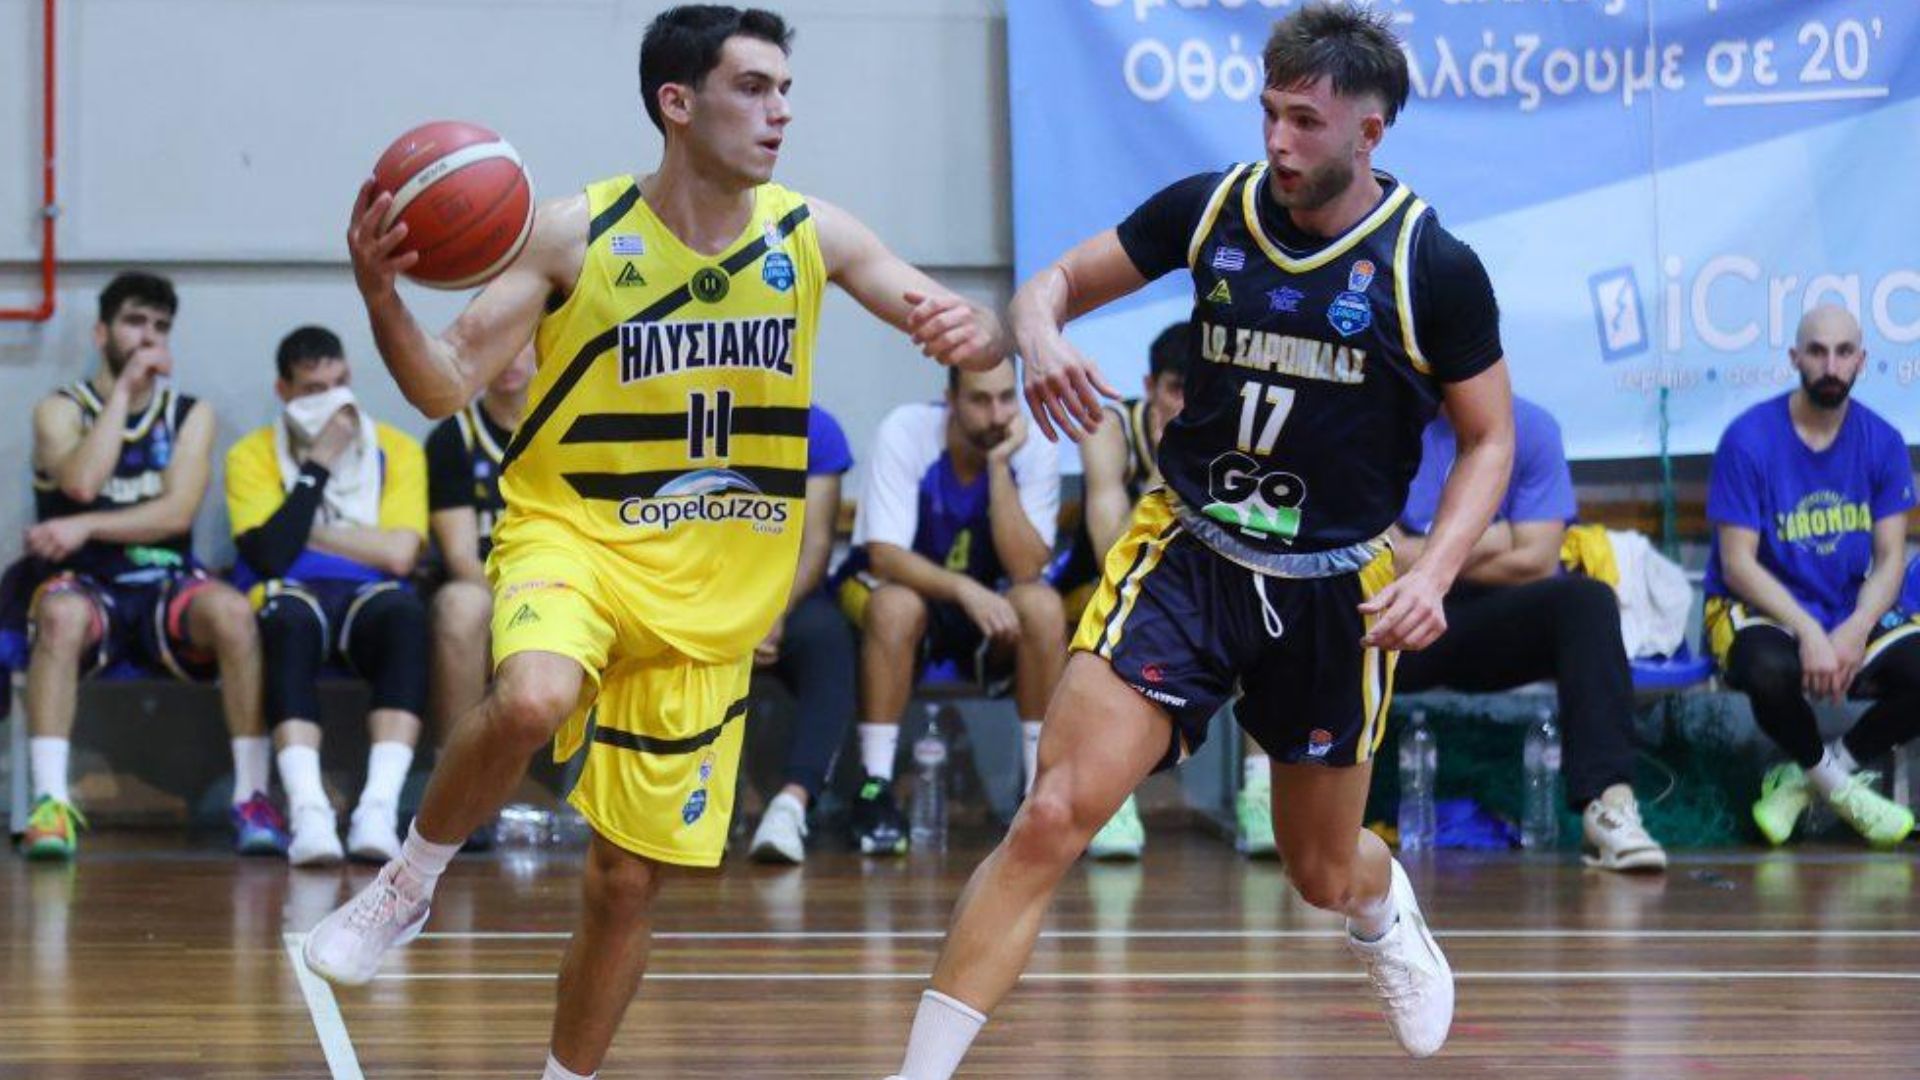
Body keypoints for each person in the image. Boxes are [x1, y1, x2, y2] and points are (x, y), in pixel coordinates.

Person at [300, 9, 1005, 1079]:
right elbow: (444, 383)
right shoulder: (573, 234)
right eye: (754, 88)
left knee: (624, 886)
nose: (780, 111)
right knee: (532, 695)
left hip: (711, 595)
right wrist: (380, 296)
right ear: (677, 103)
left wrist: (973, 329)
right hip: (573, 536)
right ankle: (407, 883)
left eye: (785, 89)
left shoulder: (811, 235)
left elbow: (956, 318)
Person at [883, 5, 1514, 1075]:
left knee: (1319, 871)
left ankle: (1381, 907)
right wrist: (1038, 339)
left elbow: (1489, 440)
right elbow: (1050, 288)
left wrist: (1437, 573)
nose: (1278, 141)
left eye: (1305, 122)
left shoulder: (1431, 266)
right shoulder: (1214, 207)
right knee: (1052, 814)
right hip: (1189, 552)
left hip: (1334, 587)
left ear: (1370, 132)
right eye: (1270, 113)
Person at [16, 271, 283, 859]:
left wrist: (83, 525)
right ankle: (50, 803)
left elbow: (177, 512)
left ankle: (252, 796)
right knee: (59, 617)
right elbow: (82, 482)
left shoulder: (190, 413)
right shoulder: (59, 411)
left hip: (164, 578)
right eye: (135, 322)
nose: (148, 337)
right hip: (87, 581)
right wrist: (121, 394)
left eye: (160, 327)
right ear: (101, 333)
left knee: (234, 613)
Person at [1391, 397, 1668, 871]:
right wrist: (1498, 537)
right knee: (1325, 606)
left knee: (1588, 601)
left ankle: (1611, 806)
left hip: (1493, 618)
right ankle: (1287, 792)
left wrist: (1430, 552)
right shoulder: (1383, 420)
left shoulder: (1532, 428)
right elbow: (1386, 558)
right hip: (1400, 618)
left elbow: (1537, 560)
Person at [1704, 304, 1918, 849]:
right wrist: (1809, 631)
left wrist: (1855, 627)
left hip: (1843, 606)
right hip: (1756, 608)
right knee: (1768, 671)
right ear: (1795, 358)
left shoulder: (1883, 441)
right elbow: (1737, 564)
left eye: (1844, 353)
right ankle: (1844, 793)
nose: (1831, 366)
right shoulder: (1748, 439)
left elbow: (1890, 559)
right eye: (1818, 352)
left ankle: (1805, 784)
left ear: (1861, 361)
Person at [835, 361, 1062, 854]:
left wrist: (999, 467)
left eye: (1006, 398)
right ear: (951, 399)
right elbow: (884, 555)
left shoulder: (1033, 445)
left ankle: (1037, 793)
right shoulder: (906, 430)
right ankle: (875, 788)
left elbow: (1026, 568)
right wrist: (963, 589)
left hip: (990, 605)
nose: (996, 414)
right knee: (895, 607)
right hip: (902, 590)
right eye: (980, 399)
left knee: (1042, 607)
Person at [226, 326, 431, 866]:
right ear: (284, 391)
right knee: (287, 622)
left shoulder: (398, 449)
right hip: (292, 592)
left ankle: (377, 810)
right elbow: (269, 555)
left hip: (369, 592)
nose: (332, 401)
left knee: (404, 616)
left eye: (339, 384)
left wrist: (301, 529)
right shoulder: (251, 454)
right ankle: (308, 810)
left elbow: (399, 555)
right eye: (313, 390)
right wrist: (317, 465)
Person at [424, 341, 535, 849]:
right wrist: (524, 598)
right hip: (492, 584)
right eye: (498, 346)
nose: (507, 359)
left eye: (518, 345)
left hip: (572, 582)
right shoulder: (454, 436)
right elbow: (462, 557)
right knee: (460, 605)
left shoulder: (575, 420)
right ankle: (454, 786)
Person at [745, 403, 860, 864]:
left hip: (788, 596)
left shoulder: (818, 428)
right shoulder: (700, 414)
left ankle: (791, 805)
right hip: (706, 594)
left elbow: (816, 544)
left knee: (828, 637)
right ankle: (691, 800)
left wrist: (773, 613)